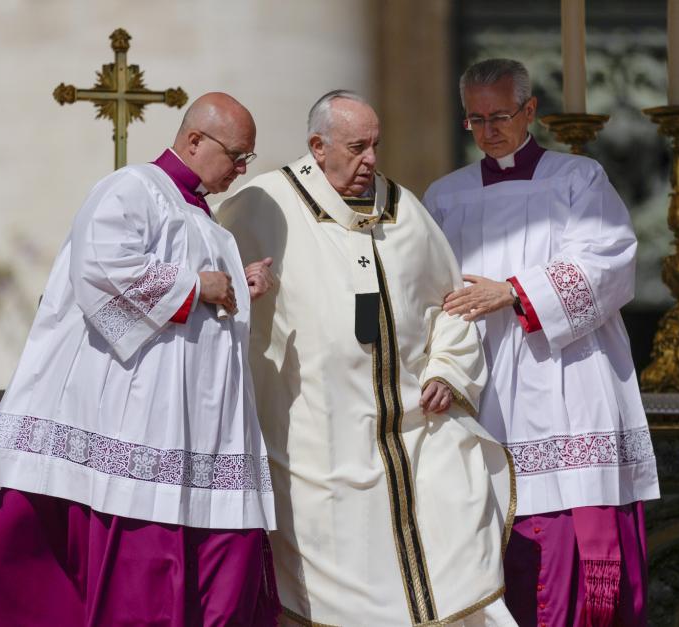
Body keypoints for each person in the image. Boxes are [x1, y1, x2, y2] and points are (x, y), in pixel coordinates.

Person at [0, 92, 280, 626]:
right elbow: (102, 269)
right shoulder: (133, 189)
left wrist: (240, 283)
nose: (240, 170)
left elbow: (203, 306)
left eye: (248, 160)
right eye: (236, 156)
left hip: (196, 432)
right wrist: (199, 285)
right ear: (194, 141)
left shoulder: (209, 222)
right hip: (138, 421)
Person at [218, 90, 517, 627]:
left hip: (411, 438)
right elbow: (214, 299)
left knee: (453, 541)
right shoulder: (260, 206)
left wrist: (448, 370)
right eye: (357, 147)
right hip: (312, 444)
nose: (372, 160)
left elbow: (453, 307)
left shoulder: (405, 212)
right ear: (317, 146)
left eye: (376, 145)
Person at [423, 59, 660, 626]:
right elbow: (423, 291)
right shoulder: (444, 197)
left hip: (567, 378)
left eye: (500, 115)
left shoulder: (578, 179)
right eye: (474, 120)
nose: (488, 131)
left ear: (530, 111)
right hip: (485, 386)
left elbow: (610, 261)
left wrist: (513, 291)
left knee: (569, 545)